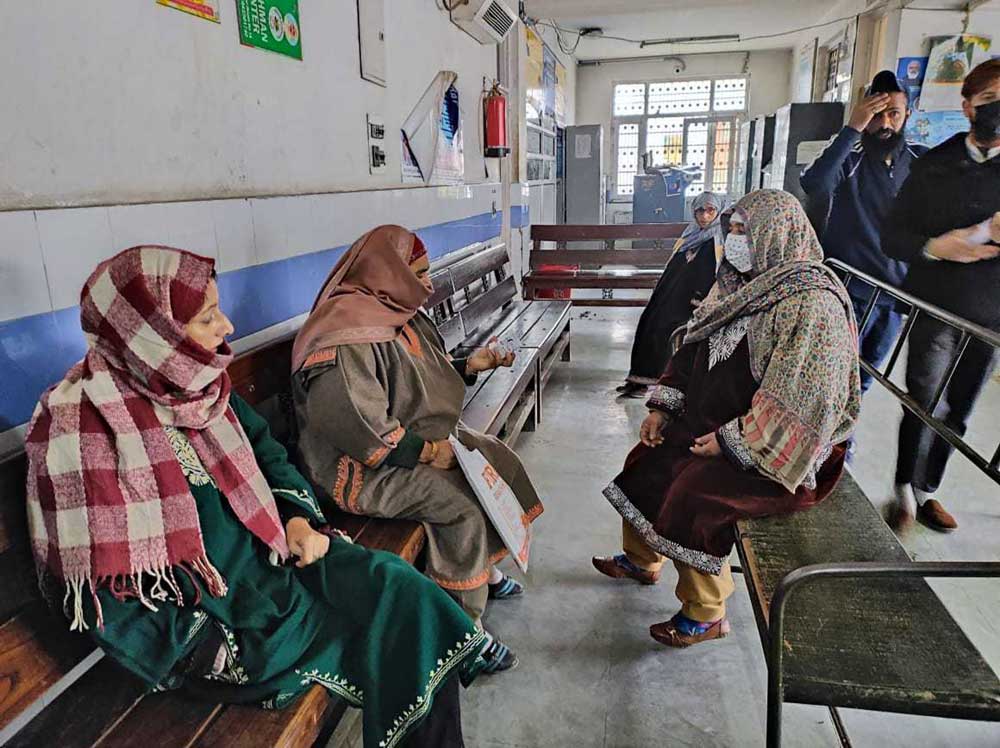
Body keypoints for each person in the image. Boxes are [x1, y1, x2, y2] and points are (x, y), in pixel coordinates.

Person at [24, 246, 486, 748]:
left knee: (406, 594)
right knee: (395, 634)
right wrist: (209, 648)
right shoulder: (78, 432)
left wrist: (296, 518)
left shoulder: (196, 387)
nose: (227, 327)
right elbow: (107, 602)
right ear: (154, 339)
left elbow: (269, 456)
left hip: (278, 564)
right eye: (207, 318)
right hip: (220, 630)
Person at [592, 190, 860, 647]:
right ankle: (642, 561)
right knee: (645, 463)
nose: (733, 240)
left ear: (774, 236)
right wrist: (662, 406)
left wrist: (733, 441)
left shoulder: (811, 304)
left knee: (694, 494)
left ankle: (706, 612)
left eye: (743, 231)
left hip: (779, 450)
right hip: (708, 424)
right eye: (731, 229)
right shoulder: (736, 282)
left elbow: (805, 401)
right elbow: (691, 348)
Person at [293, 225, 543, 672]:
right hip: (361, 469)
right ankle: (462, 634)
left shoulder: (397, 309)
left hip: (408, 443)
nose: (428, 284)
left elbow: (419, 379)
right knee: (461, 504)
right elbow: (354, 423)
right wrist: (428, 453)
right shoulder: (344, 333)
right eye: (420, 274)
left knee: (495, 460)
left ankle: (476, 567)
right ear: (388, 272)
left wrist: (469, 365)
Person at [881, 59, 1000, 533]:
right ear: (968, 106)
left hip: (991, 312)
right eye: (989, 102)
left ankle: (930, 487)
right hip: (938, 303)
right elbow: (893, 235)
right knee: (924, 396)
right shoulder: (933, 166)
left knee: (962, 406)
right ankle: (904, 491)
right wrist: (935, 247)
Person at [801, 71, 927, 403]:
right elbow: (815, 183)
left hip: (894, 296)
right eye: (876, 114)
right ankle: (830, 447)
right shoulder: (850, 159)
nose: (885, 123)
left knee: (863, 381)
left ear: (907, 115)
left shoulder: (922, 162)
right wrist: (853, 127)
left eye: (894, 113)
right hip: (848, 292)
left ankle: (844, 442)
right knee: (830, 376)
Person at [616, 191, 729, 399]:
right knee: (648, 320)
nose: (704, 216)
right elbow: (672, 271)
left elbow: (716, 277)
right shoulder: (689, 236)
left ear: (718, 211)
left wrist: (699, 299)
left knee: (664, 327)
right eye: (700, 211)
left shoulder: (720, 241)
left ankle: (654, 379)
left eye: (710, 210)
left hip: (695, 302)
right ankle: (638, 378)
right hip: (672, 296)